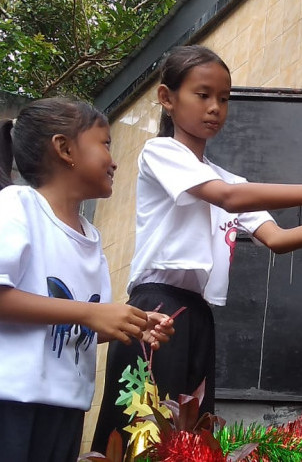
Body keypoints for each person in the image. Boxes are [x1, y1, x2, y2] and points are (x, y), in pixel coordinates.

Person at [92, 44, 302, 452]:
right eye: (203, 94)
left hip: (197, 317)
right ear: (166, 98)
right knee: (141, 435)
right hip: (154, 312)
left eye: (224, 99)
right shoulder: (161, 153)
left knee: (189, 441)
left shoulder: (228, 178)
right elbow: (227, 198)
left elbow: (277, 240)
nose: (215, 108)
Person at [0, 98, 174, 462]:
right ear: (65, 148)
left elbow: (80, 322)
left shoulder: (92, 240)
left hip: (66, 409)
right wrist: (88, 314)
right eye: (105, 143)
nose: (114, 160)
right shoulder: (17, 206)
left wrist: (130, 324)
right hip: (12, 403)